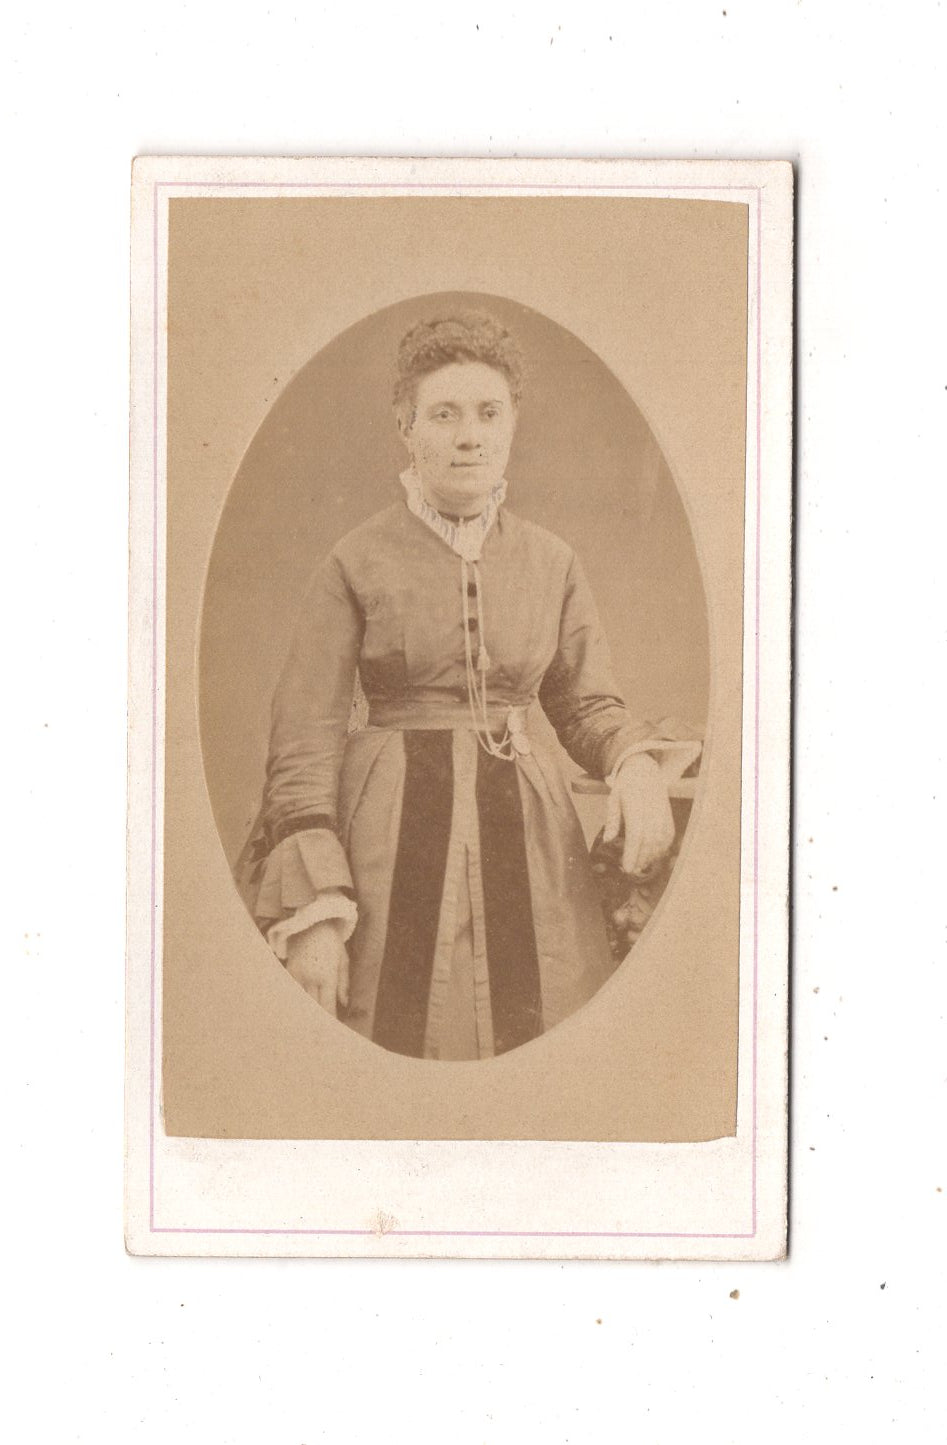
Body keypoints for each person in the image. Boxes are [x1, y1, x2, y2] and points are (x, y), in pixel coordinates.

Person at [240, 310, 685, 1061]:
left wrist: (633, 763)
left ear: (512, 424)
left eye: (488, 413)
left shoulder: (551, 561)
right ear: (406, 427)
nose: (469, 436)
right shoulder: (356, 560)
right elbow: (304, 739)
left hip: (530, 842)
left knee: (534, 1039)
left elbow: (585, 704)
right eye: (444, 414)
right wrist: (314, 910)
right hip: (386, 842)